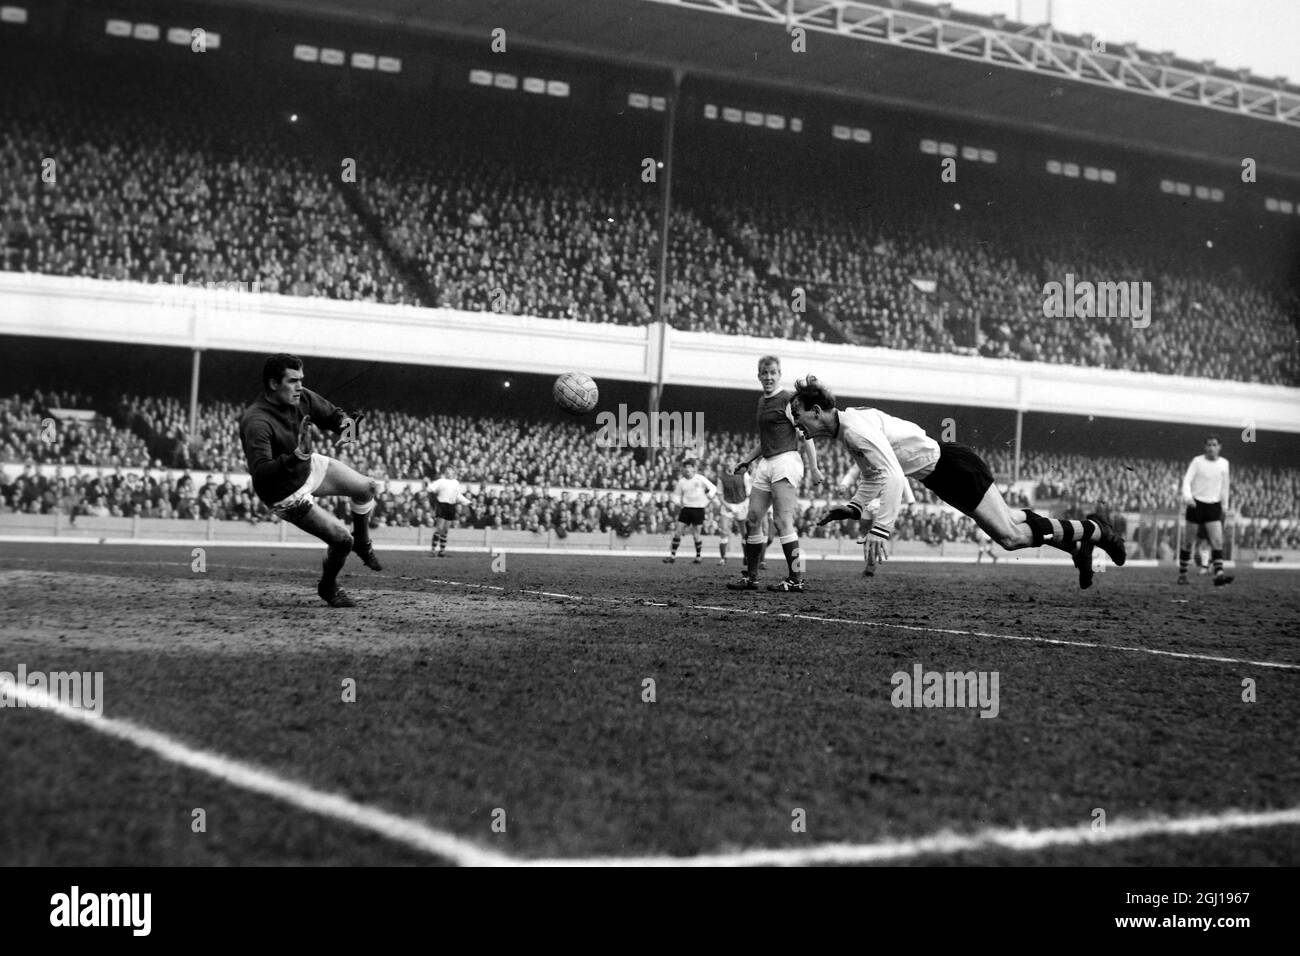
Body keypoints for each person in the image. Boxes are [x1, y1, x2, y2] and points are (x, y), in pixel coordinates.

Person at [788, 376, 1126, 589]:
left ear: (816, 411)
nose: (798, 426)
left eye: (799, 416)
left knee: (1010, 537)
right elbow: (876, 473)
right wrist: (855, 507)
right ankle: (1075, 545)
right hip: (943, 473)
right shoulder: (850, 428)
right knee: (1011, 524)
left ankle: (1095, 530)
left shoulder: (855, 430)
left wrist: (880, 529)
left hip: (952, 468)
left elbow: (890, 474)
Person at [238, 354, 381, 608]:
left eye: (301, 380)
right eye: (293, 381)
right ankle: (328, 586)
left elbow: (332, 416)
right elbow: (261, 474)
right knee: (341, 541)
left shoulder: (301, 397)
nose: (300, 386)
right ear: (273, 384)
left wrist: (350, 429)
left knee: (368, 487)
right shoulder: (256, 421)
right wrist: (296, 457)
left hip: (305, 466)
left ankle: (363, 540)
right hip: (283, 492)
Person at [726, 356, 824, 592]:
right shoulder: (762, 401)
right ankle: (751, 577)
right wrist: (746, 460)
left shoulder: (788, 400)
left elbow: (806, 434)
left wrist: (814, 467)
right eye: (764, 373)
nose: (768, 377)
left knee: (782, 522)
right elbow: (765, 440)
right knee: (753, 519)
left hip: (786, 461)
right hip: (766, 463)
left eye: (772, 373)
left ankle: (796, 578)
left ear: (779, 374)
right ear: (759, 375)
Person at [1179, 435, 1233, 586]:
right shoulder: (1197, 461)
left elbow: (1225, 486)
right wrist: (1188, 497)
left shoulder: (1224, 464)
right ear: (1205, 447)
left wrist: (1225, 506)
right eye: (1209, 445)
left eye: (1214, 445)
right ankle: (1183, 574)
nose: (1211, 447)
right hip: (1196, 504)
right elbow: (1187, 480)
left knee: (1217, 541)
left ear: (1219, 447)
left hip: (1213, 505)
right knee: (1188, 543)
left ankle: (1219, 574)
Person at [663, 458, 717, 564]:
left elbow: (713, 488)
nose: (687, 469)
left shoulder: (700, 478)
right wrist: (679, 503)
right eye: (686, 467)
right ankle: (672, 556)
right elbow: (676, 495)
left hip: (698, 509)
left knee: (696, 534)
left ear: (694, 468)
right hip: (686, 509)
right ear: (683, 469)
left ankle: (698, 557)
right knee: (678, 532)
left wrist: (708, 498)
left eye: (690, 467)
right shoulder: (681, 482)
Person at [429, 467, 472, 557]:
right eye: (447, 471)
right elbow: (431, 488)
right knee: (439, 528)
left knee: (445, 530)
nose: (448, 472)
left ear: (453, 472)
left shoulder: (456, 483)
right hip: (442, 504)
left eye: (450, 470)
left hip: (451, 506)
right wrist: (430, 488)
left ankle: (442, 550)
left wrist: (467, 502)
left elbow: (458, 495)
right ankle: (433, 549)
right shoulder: (441, 481)